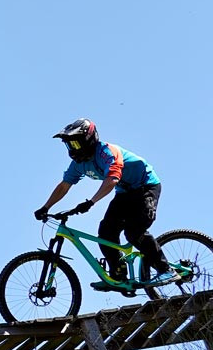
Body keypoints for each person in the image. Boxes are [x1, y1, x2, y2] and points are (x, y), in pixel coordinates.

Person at [33, 119, 172, 286]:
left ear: (89, 140)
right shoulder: (78, 165)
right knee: (106, 231)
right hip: (125, 193)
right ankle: (118, 274)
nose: (72, 149)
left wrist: (91, 202)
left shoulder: (107, 152)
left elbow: (112, 179)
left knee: (134, 231)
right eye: (69, 145)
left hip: (145, 186)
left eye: (76, 143)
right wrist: (45, 207)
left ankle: (166, 270)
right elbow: (64, 186)